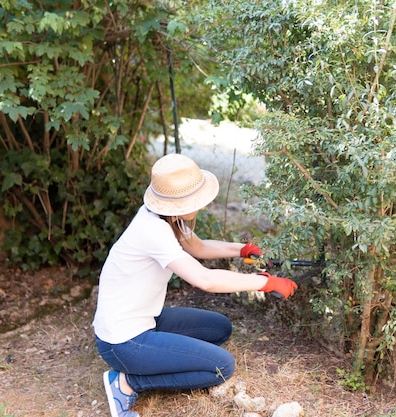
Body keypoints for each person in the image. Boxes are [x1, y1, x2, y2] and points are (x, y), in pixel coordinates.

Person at [92, 153, 297, 417]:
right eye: (196, 200)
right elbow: (205, 279)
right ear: (178, 203)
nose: (201, 206)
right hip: (123, 342)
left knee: (219, 329)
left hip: (144, 321)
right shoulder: (152, 231)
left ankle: (159, 357)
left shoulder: (163, 218)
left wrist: (244, 249)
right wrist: (264, 283)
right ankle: (127, 383)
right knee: (221, 366)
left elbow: (198, 247)